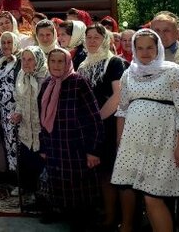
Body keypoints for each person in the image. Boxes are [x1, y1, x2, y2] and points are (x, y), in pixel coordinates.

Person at [111, 29, 179, 232]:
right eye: (139, 48)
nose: (145, 52)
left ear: (158, 48)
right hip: (134, 143)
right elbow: (122, 110)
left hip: (164, 142)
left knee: (153, 197)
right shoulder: (128, 73)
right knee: (145, 195)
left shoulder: (173, 71)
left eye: (150, 47)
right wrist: (120, 142)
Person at [38, 48, 103, 229]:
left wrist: (93, 150)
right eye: (53, 61)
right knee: (56, 179)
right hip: (54, 144)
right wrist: (43, 146)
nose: (57, 65)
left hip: (76, 146)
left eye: (61, 62)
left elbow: (94, 118)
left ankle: (80, 218)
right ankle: (60, 212)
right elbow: (41, 119)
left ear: (67, 63)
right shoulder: (46, 84)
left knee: (78, 184)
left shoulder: (79, 83)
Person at [76, 23, 128, 230]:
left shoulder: (113, 62)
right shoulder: (82, 63)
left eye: (97, 37)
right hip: (85, 125)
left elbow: (119, 95)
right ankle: (96, 211)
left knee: (107, 171)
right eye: (88, 37)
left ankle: (111, 216)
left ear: (105, 39)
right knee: (91, 171)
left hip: (106, 123)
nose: (92, 41)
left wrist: (97, 118)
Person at [14, 47, 48, 212]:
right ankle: (31, 192)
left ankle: (43, 198)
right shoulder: (21, 75)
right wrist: (17, 114)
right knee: (28, 159)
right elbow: (19, 100)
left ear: (38, 60)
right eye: (24, 59)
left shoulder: (46, 77)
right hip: (26, 128)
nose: (26, 63)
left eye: (30, 59)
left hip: (43, 128)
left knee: (41, 161)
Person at [0, 31, 22, 185]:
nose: (6, 46)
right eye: (3, 43)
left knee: (19, 147)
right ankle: (14, 181)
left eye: (9, 42)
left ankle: (23, 183)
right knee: (9, 146)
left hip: (18, 113)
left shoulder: (21, 61)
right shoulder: (1, 63)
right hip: (5, 114)